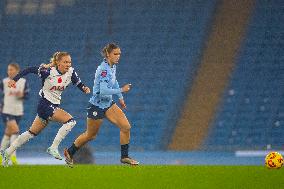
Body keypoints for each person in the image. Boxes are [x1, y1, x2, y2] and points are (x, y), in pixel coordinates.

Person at [1, 52, 90, 167]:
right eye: (65, 62)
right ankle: (53, 147)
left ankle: (7, 153)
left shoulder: (71, 72)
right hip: (45, 104)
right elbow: (29, 69)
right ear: (58, 63)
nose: (68, 64)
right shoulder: (48, 72)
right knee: (71, 121)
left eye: (69, 62)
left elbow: (78, 82)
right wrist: (15, 79)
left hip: (53, 105)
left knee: (31, 133)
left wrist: (84, 88)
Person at [64, 43, 139, 167]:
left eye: (119, 54)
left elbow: (114, 82)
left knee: (126, 127)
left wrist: (120, 98)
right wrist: (122, 90)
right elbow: (103, 90)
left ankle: (124, 157)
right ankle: (70, 153)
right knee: (91, 135)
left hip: (108, 104)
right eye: (115, 54)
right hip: (96, 106)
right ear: (108, 54)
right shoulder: (103, 69)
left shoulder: (112, 66)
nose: (118, 56)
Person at [0, 63, 29, 165]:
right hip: (6, 111)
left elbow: (27, 95)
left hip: (18, 112)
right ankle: (12, 157)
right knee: (15, 131)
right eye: (8, 70)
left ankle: (1, 156)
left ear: (17, 71)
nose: (9, 71)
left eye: (11, 69)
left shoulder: (23, 82)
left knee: (8, 134)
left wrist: (22, 95)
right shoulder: (4, 82)